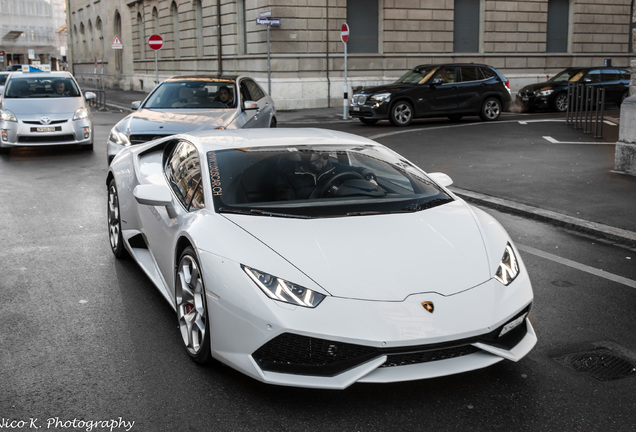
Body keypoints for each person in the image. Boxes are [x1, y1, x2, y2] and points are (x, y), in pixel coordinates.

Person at [276, 151, 379, 200]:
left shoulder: (335, 168)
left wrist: (371, 179)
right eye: (316, 156)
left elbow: (362, 171)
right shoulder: (291, 174)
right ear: (305, 158)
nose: (321, 160)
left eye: (325, 156)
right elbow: (286, 204)